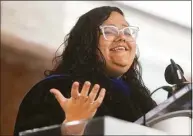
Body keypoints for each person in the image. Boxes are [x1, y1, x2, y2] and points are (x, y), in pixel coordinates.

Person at [14, 6, 157, 136]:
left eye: (127, 32)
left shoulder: (144, 104)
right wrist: (70, 129)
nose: (122, 37)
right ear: (87, 42)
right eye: (109, 31)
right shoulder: (59, 89)